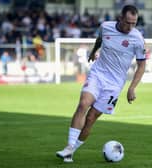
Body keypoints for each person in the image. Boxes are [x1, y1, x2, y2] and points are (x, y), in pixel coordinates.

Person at [56, 5, 146, 163]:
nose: (130, 26)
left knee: (91, 118)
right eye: (128, 22)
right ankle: (68, 147)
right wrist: (93, 51)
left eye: (134, 23)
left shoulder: (137, 39)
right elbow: (100, 39)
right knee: (83, 104)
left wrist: (132, 88)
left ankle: (71, 151)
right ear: (120, 18)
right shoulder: (106, 27)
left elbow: (141, 65)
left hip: (115, 84)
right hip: (98, 74)